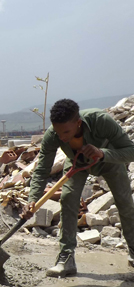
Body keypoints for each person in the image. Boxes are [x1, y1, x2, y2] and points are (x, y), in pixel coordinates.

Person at [21, 99, 134, 277]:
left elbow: (131, 150)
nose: (62, 137)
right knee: (68, 199)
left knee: (125, 204)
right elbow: (42, 169)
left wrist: (102, 153)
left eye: (66, 132)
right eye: (58, 133)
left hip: (108, 160)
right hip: (77, 162)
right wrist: (32, 199)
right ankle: (66, 259)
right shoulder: (54, 135)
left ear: (78, 123)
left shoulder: (101, 121)